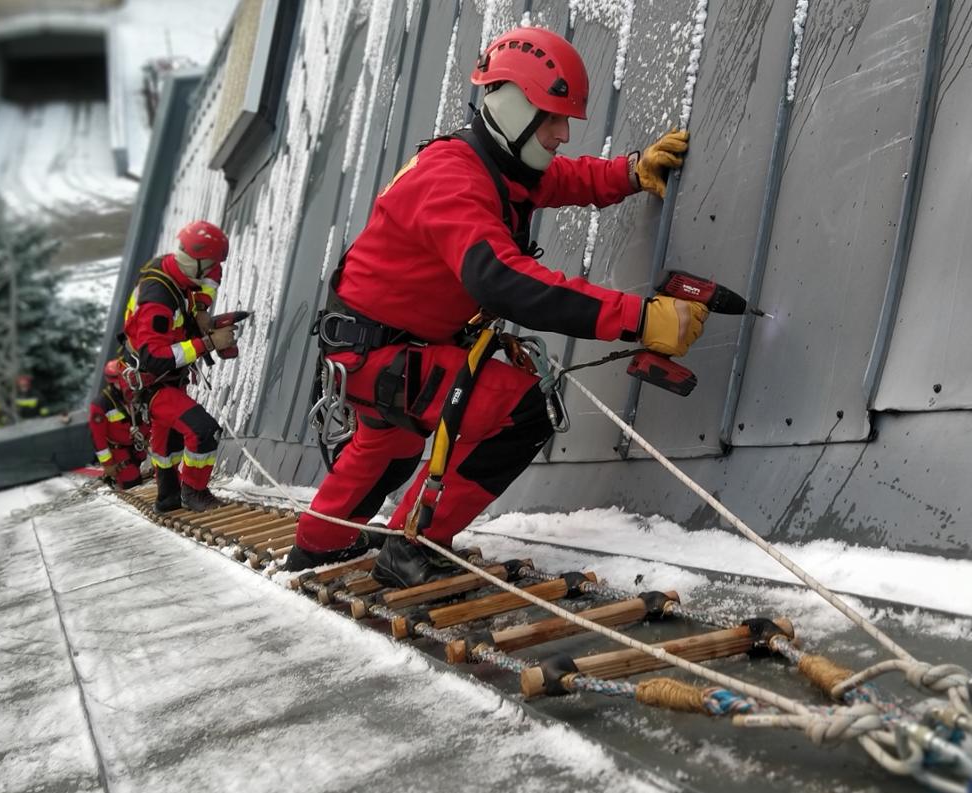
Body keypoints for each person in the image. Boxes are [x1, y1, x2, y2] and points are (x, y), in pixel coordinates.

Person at [286, 25, 706, 586]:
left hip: (376, 352)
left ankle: (313, 551)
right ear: (511, 106)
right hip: (383, 357)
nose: (562, 134)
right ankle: (412, 546)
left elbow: (556, 180)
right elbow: (504, 280)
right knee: (520, 413)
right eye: (553, 117)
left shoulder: (489, 162)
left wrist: (628, 172)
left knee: (392, 445)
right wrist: (638, 317)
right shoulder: (451, 179)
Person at [122, 220, 238, 513]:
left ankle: (168, 498)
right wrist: (208, 344)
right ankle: (194, 493)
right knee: (204, 430)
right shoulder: (157, 300)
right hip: (153, 381)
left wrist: (200, 310)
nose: (213, 269)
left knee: (167, 445)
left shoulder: (176, 268)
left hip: (167, 379)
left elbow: (213, 274)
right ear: (196, 261)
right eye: (209, 262)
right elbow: (155, 357)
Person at [88, 359, 145, 490]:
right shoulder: (101, 405)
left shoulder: (136, 395)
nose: (128, 385)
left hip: (142, 447)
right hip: (121, 454)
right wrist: (108, 465)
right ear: (114, 383)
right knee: (132, 484)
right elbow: (98, 438)